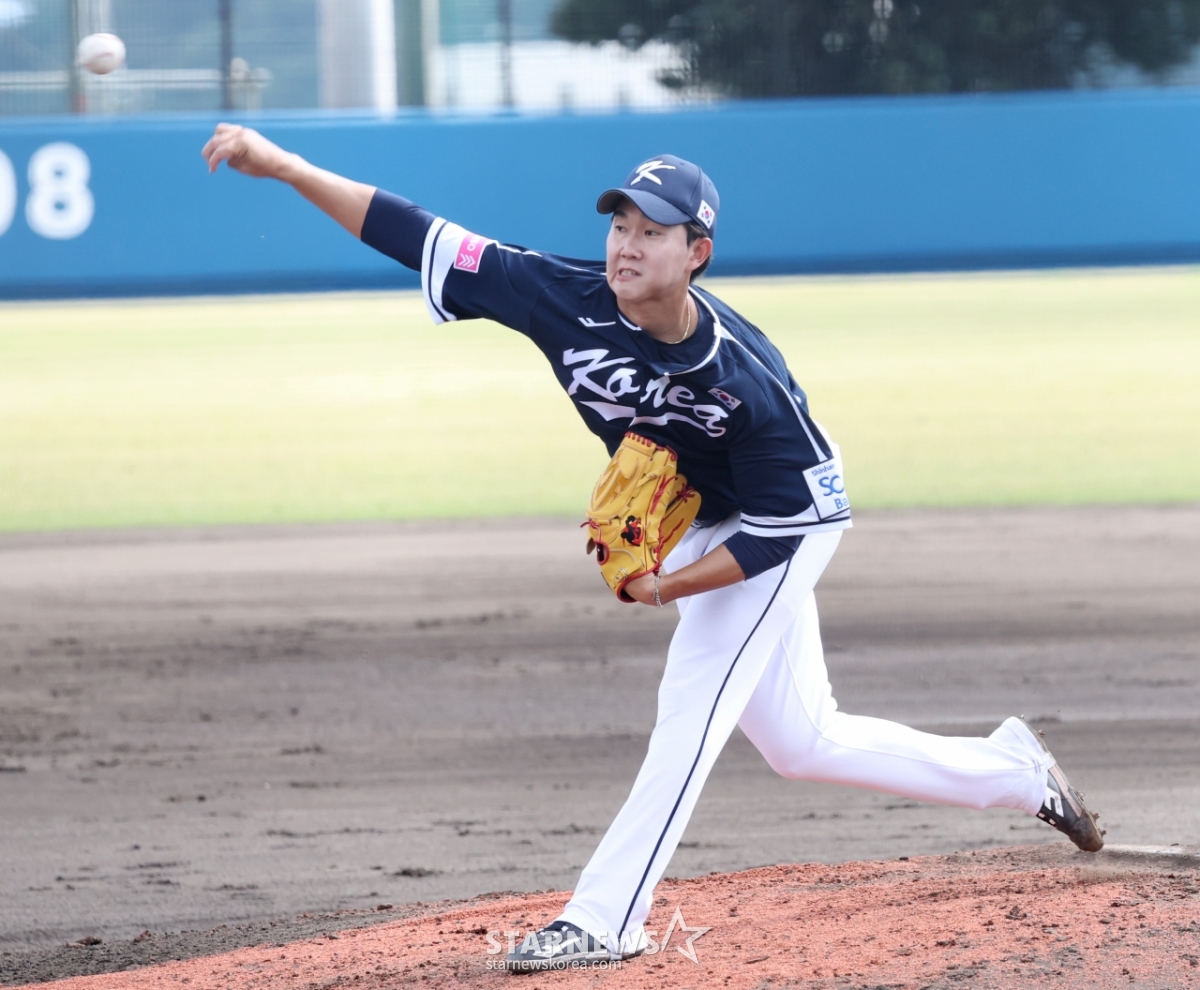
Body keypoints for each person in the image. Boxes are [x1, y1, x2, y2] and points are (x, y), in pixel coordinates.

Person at [201, 124, 1105, 973]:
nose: (626, 246)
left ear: (696, 252)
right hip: (711, 514)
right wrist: (284, 166)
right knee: (804, 742)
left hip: (780, 524)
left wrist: (668, 588)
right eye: (620, 225)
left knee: (693, 704)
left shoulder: (745, 379)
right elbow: (417, 233)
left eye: (652, 232)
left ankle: (607, 917)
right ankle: (1016, 773)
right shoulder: (558, 294)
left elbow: (786, 529)